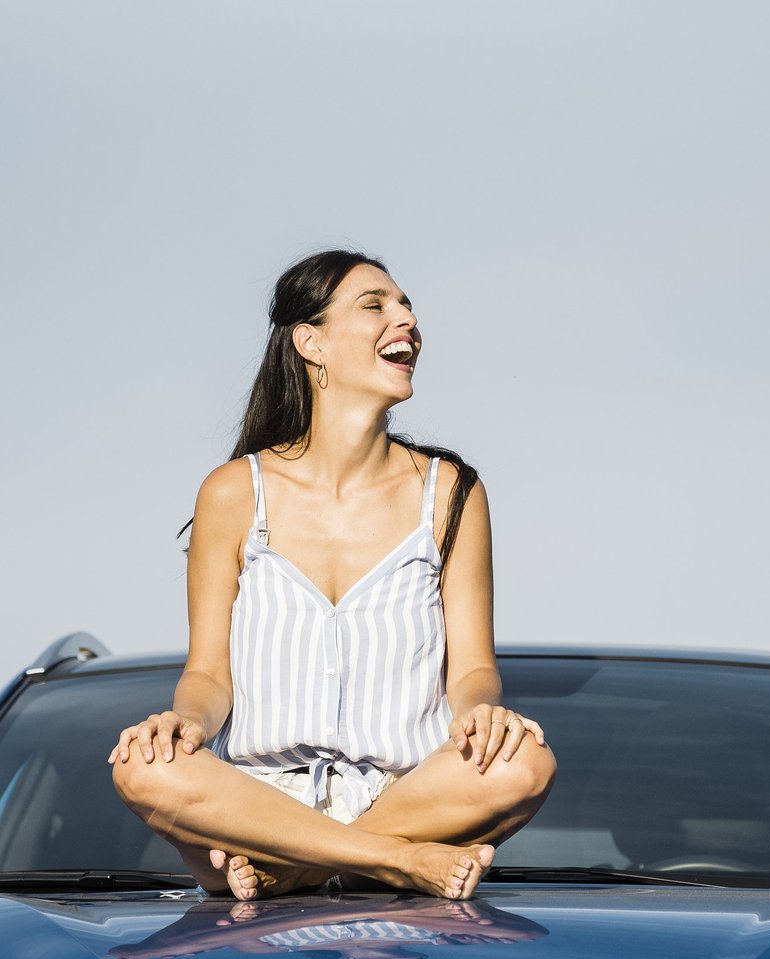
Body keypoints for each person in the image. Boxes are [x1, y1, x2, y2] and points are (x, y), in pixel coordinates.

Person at [110, 250, 555, 902]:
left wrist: (484, 713)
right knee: (141, 766)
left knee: (525, 763)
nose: (406, 319)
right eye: (376, 305)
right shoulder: (234, 493)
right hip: (256, 798)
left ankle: (290, 867)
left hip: (409, 794)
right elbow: (207, 674)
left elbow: (470, 670)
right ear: (310, 341)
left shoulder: (451, 492)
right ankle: (391, 862)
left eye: (406, 306)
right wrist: (183, 723)